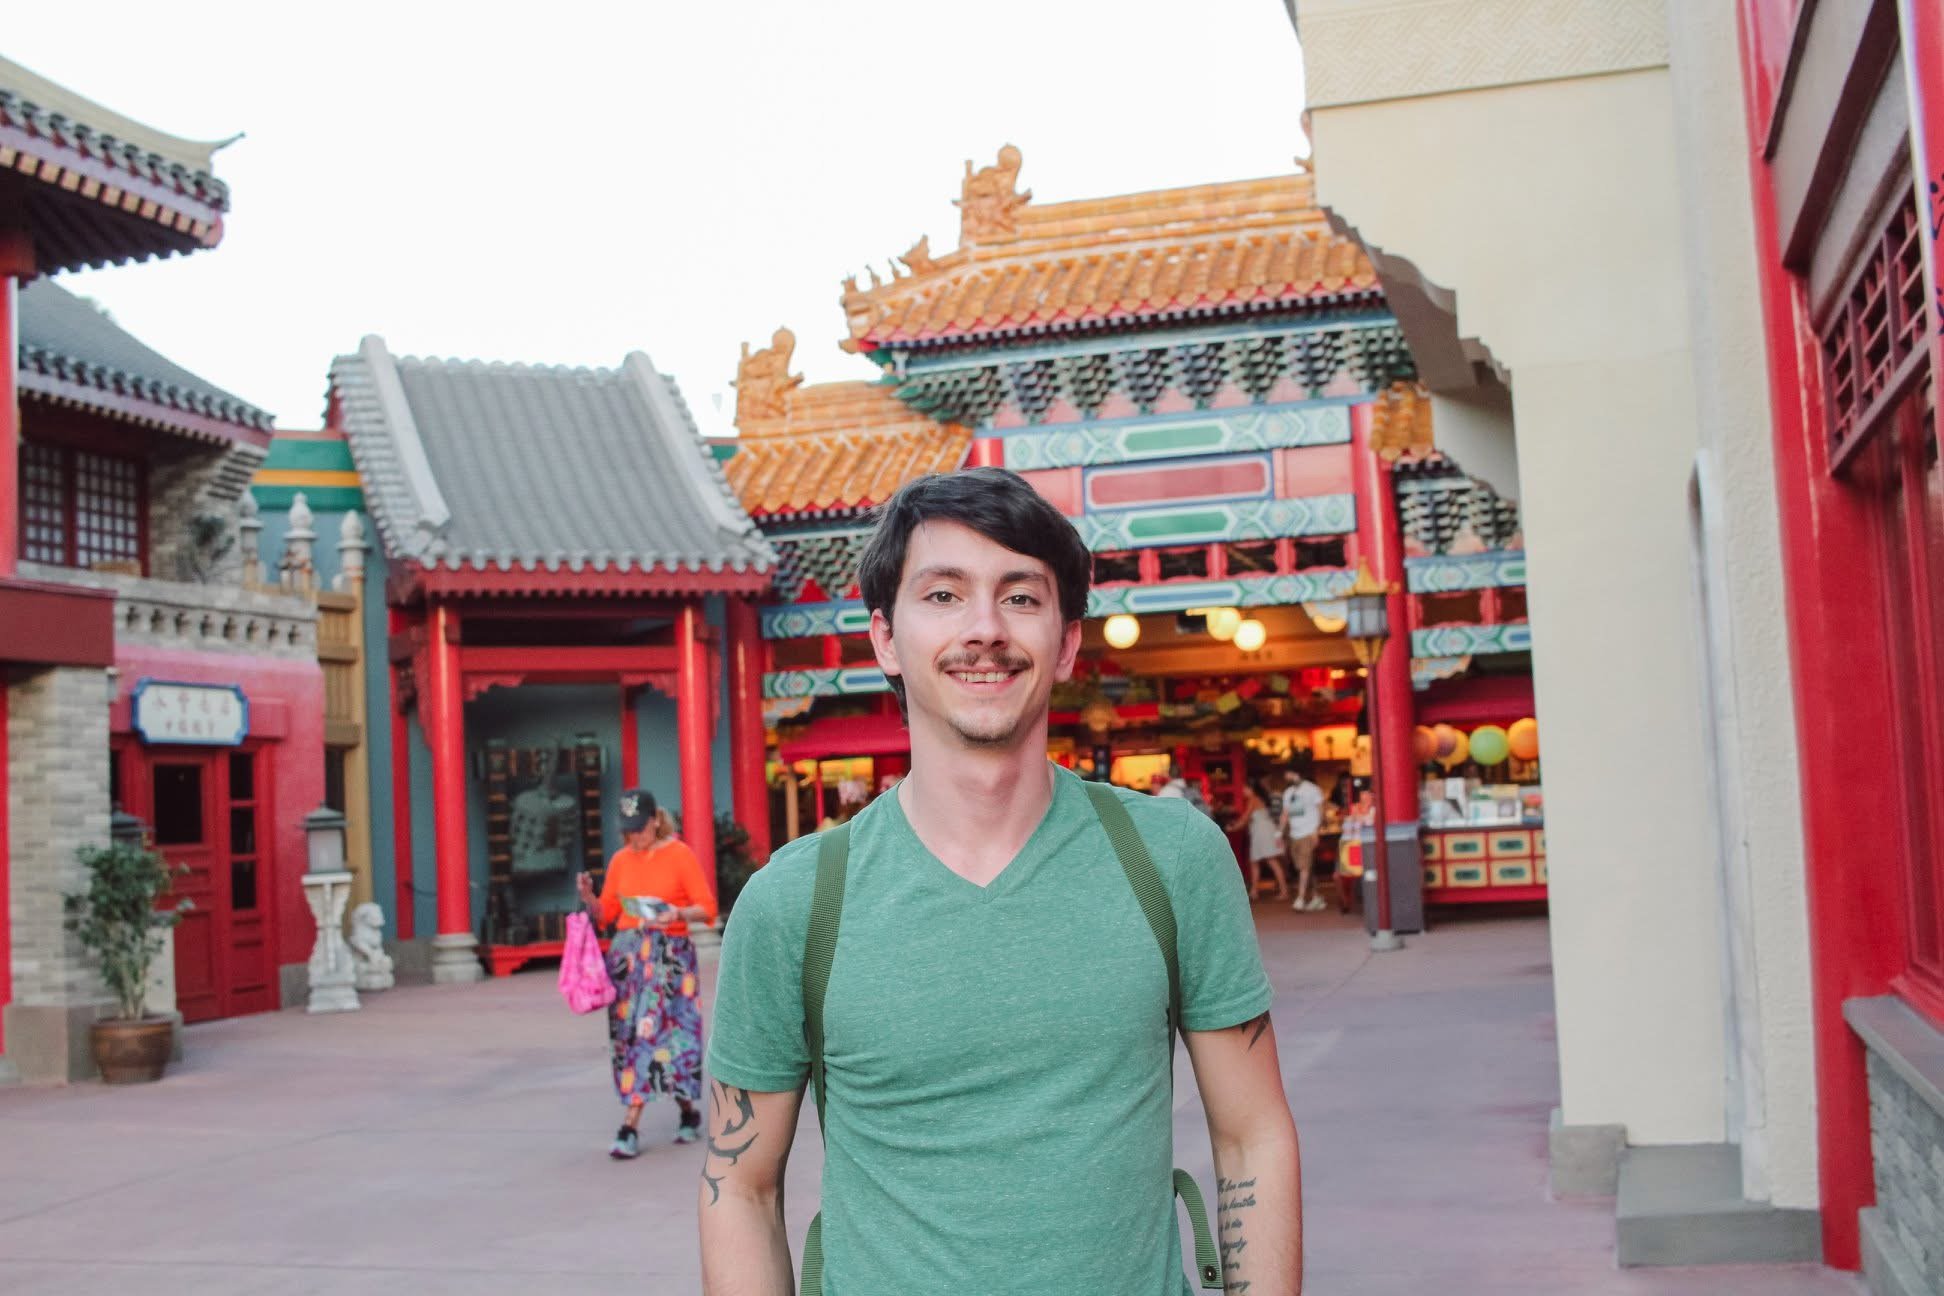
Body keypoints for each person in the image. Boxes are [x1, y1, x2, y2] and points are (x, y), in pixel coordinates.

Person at [701, 467, 1303, 1294]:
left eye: (1020, 597)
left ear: (1066, 642)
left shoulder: (1173, 859)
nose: (984, 629)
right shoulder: (794, 903)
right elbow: (740, 1183)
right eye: (943, 596)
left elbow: (1252, 1137)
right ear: (884, 638)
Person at [575, 788, 718, 1159]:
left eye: (639, 827)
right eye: (628, 829)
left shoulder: (679, 854)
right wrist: (590, 898)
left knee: (667, 1034)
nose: (634, 836)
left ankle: (631, 1124)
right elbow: (607, 913)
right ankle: (685, 1111)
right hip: (628, 958)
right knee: (631, 1035)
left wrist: (677, 913)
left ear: (656, 820)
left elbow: (707, 907)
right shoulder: (621, 860)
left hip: (668, 957)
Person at [1234, 775, 1292, 902]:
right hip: (1263, 831)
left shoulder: (1253, 799)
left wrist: (1231, 828)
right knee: (1256, 861)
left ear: (1250, 788)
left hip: (1263, 832)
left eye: (1244, 788)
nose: (1243, 791)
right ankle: (1254, 891)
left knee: (1271, 860)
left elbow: (1245, 818)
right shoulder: (1258, 798)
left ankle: (1284, 890)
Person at [1281, 763, 1327, 912]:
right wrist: (1279, 832)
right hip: (1295, 833)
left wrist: (1316, 830)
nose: (1285, 777)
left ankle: (1300, 898)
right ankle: (1315, 896)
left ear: (1295, 773)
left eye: (1287, 774)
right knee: (1304, 866)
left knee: (1304, 866)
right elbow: (1285, 814)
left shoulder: (1312, 789)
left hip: (1308, 832)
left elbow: (1321, 810)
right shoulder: (1288, 792)